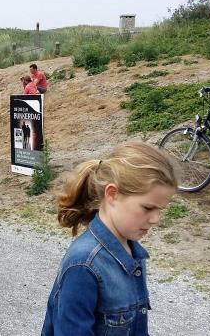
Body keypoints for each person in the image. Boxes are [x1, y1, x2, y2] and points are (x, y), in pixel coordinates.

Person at [41, 142, 177, 336]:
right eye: (148, 208)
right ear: (112, 194)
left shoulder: (132, 250)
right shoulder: (84, 265)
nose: (156, 219)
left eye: (160, 210)